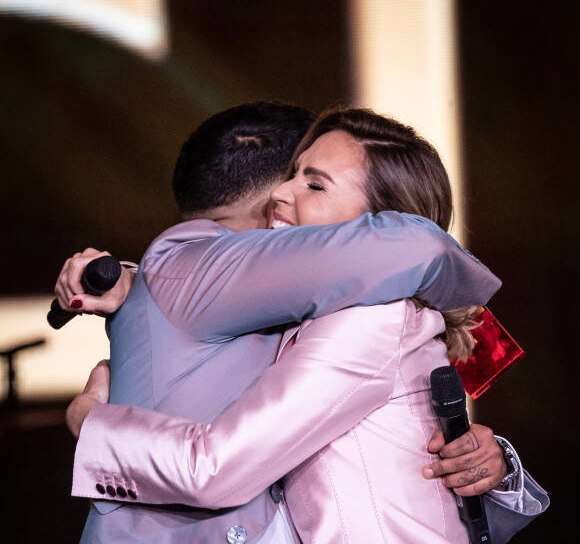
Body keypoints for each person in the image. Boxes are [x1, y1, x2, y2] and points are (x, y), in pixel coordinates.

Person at [65, 108, 548, 543]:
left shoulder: (370, 318)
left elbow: (215, 469)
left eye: (314, 184)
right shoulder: (318, 309)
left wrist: (91, 423)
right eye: (293, 173)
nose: (281, 191)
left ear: (376, 225)